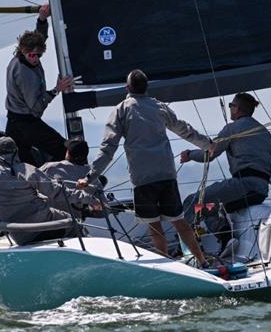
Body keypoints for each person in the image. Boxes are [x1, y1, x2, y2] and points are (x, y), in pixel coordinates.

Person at [77, 69, 211, 267]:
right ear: (146, 87)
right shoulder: (159, 107)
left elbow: (108, 148)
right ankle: (203, 261)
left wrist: (89, 178)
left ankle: (168, 268)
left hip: (143, 179)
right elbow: (184, 129)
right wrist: (207, 144)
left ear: (127, 87)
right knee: (179, 221)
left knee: (154, 226)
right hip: (166, 175)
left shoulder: (121, 110)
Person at [0, 136, 100, 245]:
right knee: (75, 224)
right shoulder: (26, 170)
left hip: (20, 236)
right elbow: (58, 192)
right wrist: (90, 199)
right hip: (45, 224)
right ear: (16, 152)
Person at [180, 92, 271, 253]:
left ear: (237, 109)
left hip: (243, 184)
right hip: (261, 190)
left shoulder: (232, 128)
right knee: (208, 207)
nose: (230, 108)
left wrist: (189, 155)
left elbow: (209, 153)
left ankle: (187, 250)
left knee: (192, 202)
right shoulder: (265, 132)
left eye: (231, 105)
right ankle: (226, 239)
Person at [5, 3, 74, 165]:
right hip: (25, 124)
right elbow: (36, 109)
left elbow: (39, 36)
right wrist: (57, 90)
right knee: (65, 151)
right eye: (32, 55)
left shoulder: (25, 53)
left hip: (16, 122)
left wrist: (42, 18)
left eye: (39, 55)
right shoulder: (24, 74)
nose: (35, 59)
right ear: (23, 50)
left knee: (26, 164)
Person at [39, 137, 105, 218]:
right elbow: (104, 211)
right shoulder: (90, 177)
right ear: (85, 155)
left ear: (68, 153)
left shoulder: (49, 167)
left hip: (46, 220)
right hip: (71, 224)